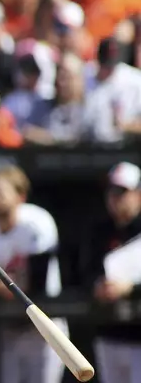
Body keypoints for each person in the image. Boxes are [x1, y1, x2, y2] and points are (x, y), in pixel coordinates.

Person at [0, 165, 64, 383]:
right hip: (8, 325)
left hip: (45, 327)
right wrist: (6, 284)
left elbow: (35, 284)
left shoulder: (37, 222)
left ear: (20, 196)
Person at [80, 161, 141, 383]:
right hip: (108, 333)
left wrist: (130, 289)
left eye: (122, 192)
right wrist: (97, 285)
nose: (115, 198)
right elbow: (84, 273)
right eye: (111, 191)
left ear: (138, 195)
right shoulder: (99, 231)